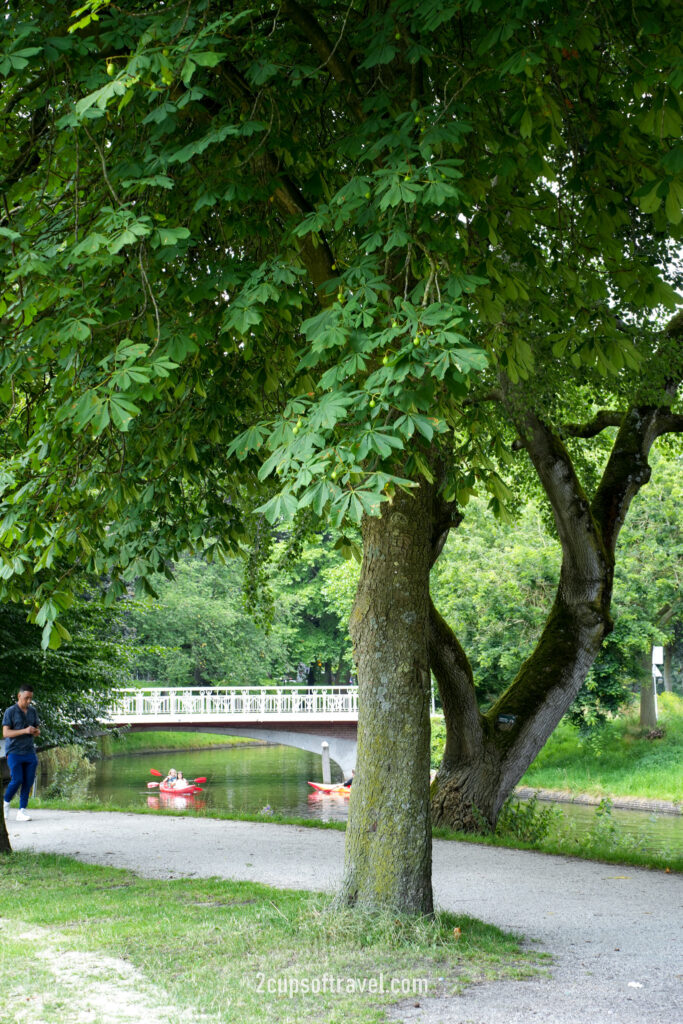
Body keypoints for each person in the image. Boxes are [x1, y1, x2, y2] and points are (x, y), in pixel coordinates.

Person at [3, 685, 40, 822]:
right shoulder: (10, 711)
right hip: (14, 751)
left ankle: (22, 811)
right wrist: (24, 731)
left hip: (29, 751)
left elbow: (37, 731)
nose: (29, 701)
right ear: (19, 696)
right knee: (17, 779)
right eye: (26, 698)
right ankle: (5, 803)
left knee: (28, 781)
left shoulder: (33, 711)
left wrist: (34, 731)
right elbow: (6, 733)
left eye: (31, 698)